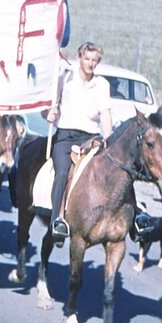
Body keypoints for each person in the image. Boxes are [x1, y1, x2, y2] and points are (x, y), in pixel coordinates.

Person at [45, 42, 112, 244]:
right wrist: (48, 114)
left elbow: (105, 114)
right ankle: (56, 220)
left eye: (94, 60)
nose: (91, 64)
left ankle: (133, 215)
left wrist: (108, 138)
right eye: (87, 59)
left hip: (91, 138)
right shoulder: (64, 78)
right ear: (79, 58)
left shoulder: (102, 85)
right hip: (65, 136)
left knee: (111, 169)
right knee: (63, 172)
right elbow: (48, 106)